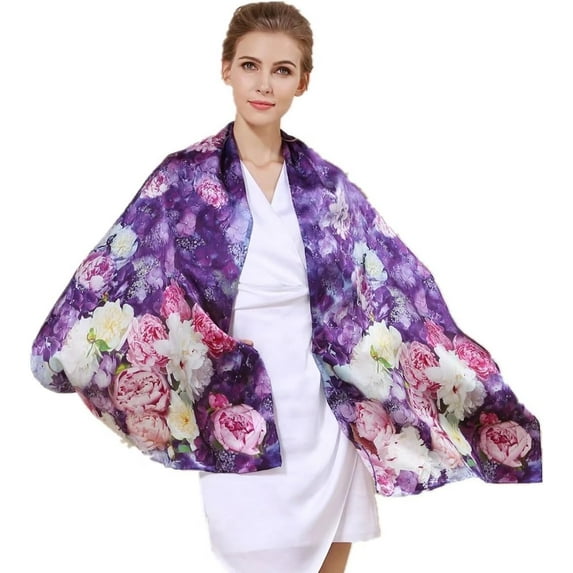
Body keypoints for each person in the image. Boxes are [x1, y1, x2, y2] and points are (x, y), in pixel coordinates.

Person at [29, 2, 542, 573]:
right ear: (226, 69)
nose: (263, 84)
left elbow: (395, 288)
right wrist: (153, 352)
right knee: (251, 552)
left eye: (282, 70)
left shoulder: (328, 187)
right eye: (250, 65)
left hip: (324, 408)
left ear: (303, 81)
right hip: (239, 403)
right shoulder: (182, 180)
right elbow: (118, 276)